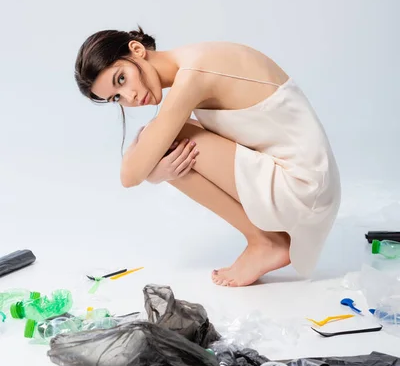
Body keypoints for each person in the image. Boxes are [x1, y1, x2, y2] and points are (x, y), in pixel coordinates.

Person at [74, 27, 341, 287]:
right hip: (311, 179)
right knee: (163, 139)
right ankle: (267, 240)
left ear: (136, 49)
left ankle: (266, 242)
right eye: (116, 98)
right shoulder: (192, 61)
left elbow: (129, 176)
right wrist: (152, 164)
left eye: (121, 79)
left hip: (305, 186)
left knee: (166, 142)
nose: (129, 97)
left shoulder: (194, 75)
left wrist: (154, 173)